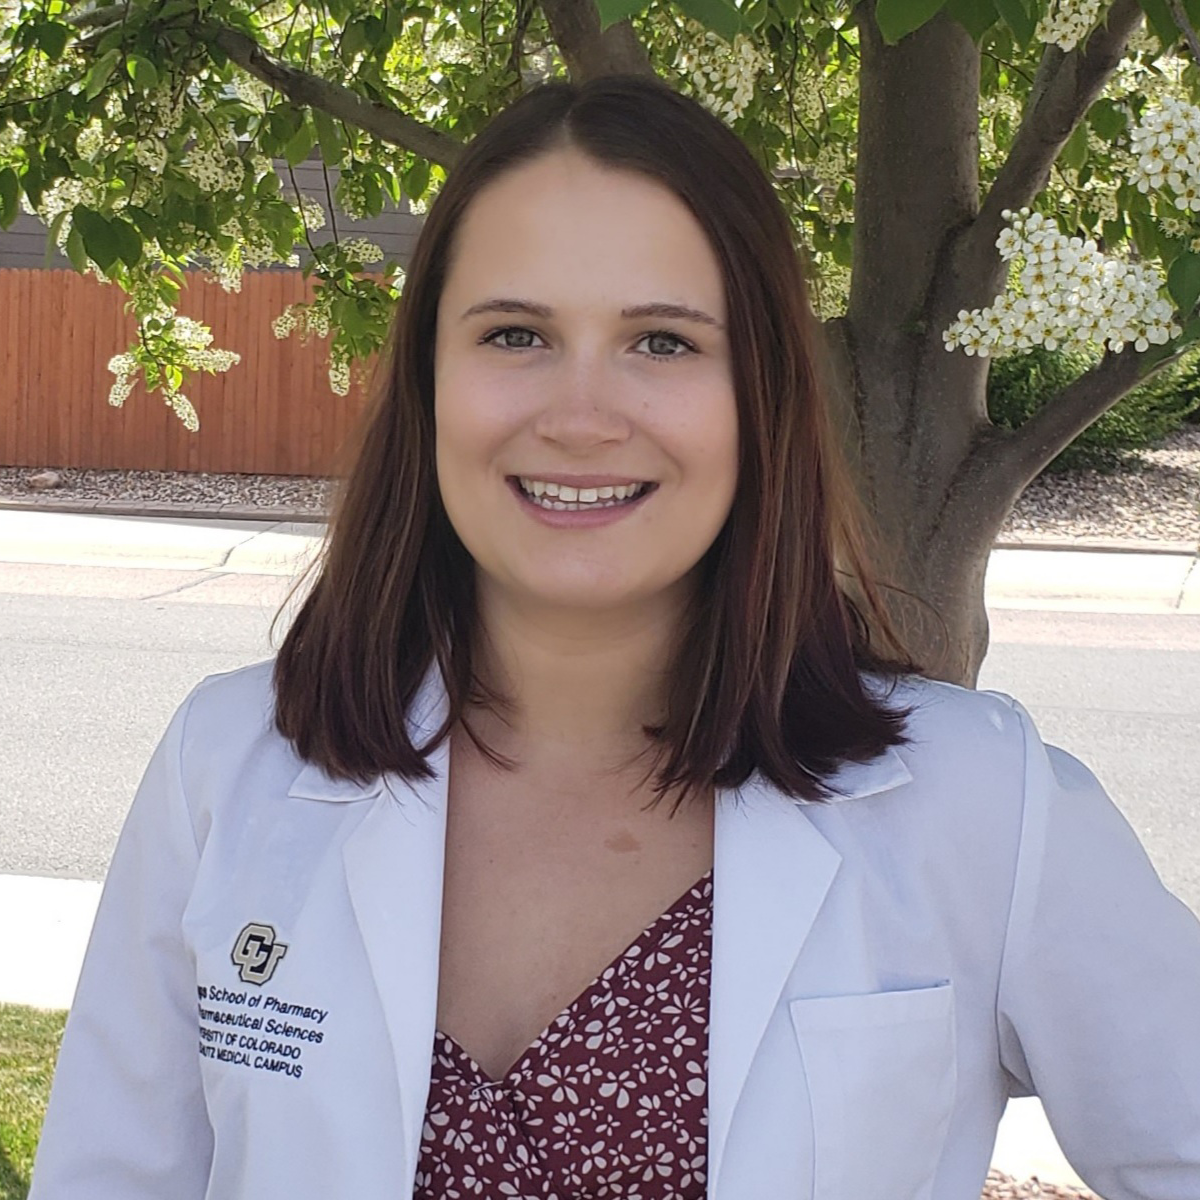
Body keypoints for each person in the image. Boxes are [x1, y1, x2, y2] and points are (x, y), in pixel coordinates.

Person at [30, 74, 1200, 1200]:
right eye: (513, 335)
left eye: (662, 342)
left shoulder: (977, 804)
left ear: (761, 395)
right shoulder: (226, 766)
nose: (580, 415)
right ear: (430, 377)